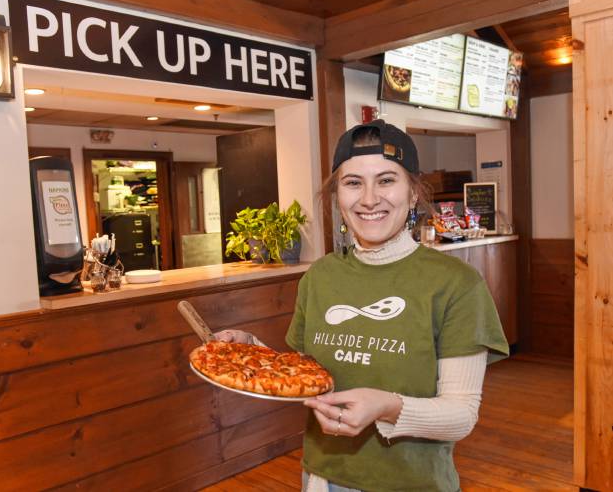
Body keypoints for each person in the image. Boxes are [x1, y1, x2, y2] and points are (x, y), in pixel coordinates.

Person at [216, 120, 510, 492]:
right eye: (353, 182)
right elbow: (308, 377)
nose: (369, 198)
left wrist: (387, 406)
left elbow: (461, 415)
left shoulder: (456, 283)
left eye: (386, 180)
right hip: (324, 477)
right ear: (338, 196)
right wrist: (251, 352)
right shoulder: (320, 277)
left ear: (414, 193)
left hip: (412, 483)